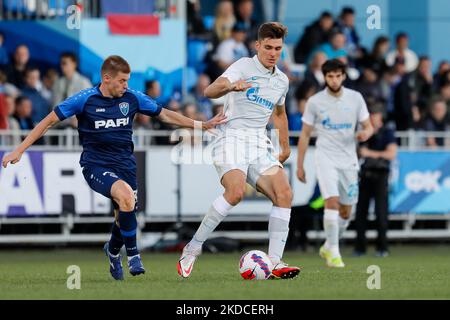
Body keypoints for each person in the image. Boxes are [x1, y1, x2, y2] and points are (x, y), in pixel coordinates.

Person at [2, 55, 226, 281]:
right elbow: (47, 122)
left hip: (126, 166)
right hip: (95, 165)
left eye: (127, 80)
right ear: (106, 78)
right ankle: (134, 256)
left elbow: (165, 114)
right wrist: (20, 149)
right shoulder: (85, 99)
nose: (126, 85)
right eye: (122, 81)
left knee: (124, 214)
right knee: (126, 197)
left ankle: (111, 250)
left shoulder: (132, 98)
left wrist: (201, 124)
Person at [177, 22, 301, 280]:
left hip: (258, 142)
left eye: (277, 48)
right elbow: (209, 91)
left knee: (284, 193)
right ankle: (192, 248)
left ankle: (275, 262)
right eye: (268, 47)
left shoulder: (281, 80)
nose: (272, 53)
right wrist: (231, 86)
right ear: (257, 46)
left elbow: (279, 114)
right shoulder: (243, 66)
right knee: (234, 193)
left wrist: (286, 146)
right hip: (231, 137)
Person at [296, 59, 374, 268]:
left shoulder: (356, 98)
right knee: (331, 202)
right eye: (330, 76)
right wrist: (300, 165)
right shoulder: (315, 101)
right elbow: (304, 135)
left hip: (349, 159)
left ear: (344, 76)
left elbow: (369, 126)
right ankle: (335, 254)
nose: (334, 79)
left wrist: (365, 133)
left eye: (338, 75)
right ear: (325, 77)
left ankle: (329, 245)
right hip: (325, 157)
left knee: (347, 212)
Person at [354, 103, 397, 257]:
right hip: (365, 175)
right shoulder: (365, 134)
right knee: (360, 214)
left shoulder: (387, 133)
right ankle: (360, 248)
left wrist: (369, 153)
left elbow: (391, 154)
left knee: (381, 214)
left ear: (380, 117)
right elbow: (359, 154)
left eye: (374, 116)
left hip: (380, 176)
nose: (372, 119)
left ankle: (382, 248)